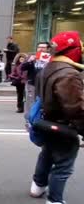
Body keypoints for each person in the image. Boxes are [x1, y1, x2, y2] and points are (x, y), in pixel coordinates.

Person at [29, 31, 84, 204]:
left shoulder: (49, 67)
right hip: (64, 126)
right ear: (73, 50)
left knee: (47, 154)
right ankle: (55, 200)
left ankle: (38, 186)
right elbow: (76, 109)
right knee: (63, 167)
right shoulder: (69, 74)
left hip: (48, 122)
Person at [21, 42, 51, 119]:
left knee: (44, 102)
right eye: (39, 47)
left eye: (43, 47)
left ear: (48, 49)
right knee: (30, 101)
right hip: (32, 83)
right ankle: (29, 119)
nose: (41, 49)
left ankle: (42, 118)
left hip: (46, 84)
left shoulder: (51, 58)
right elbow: (22, 68)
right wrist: (30, 61)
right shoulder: (32, 57)